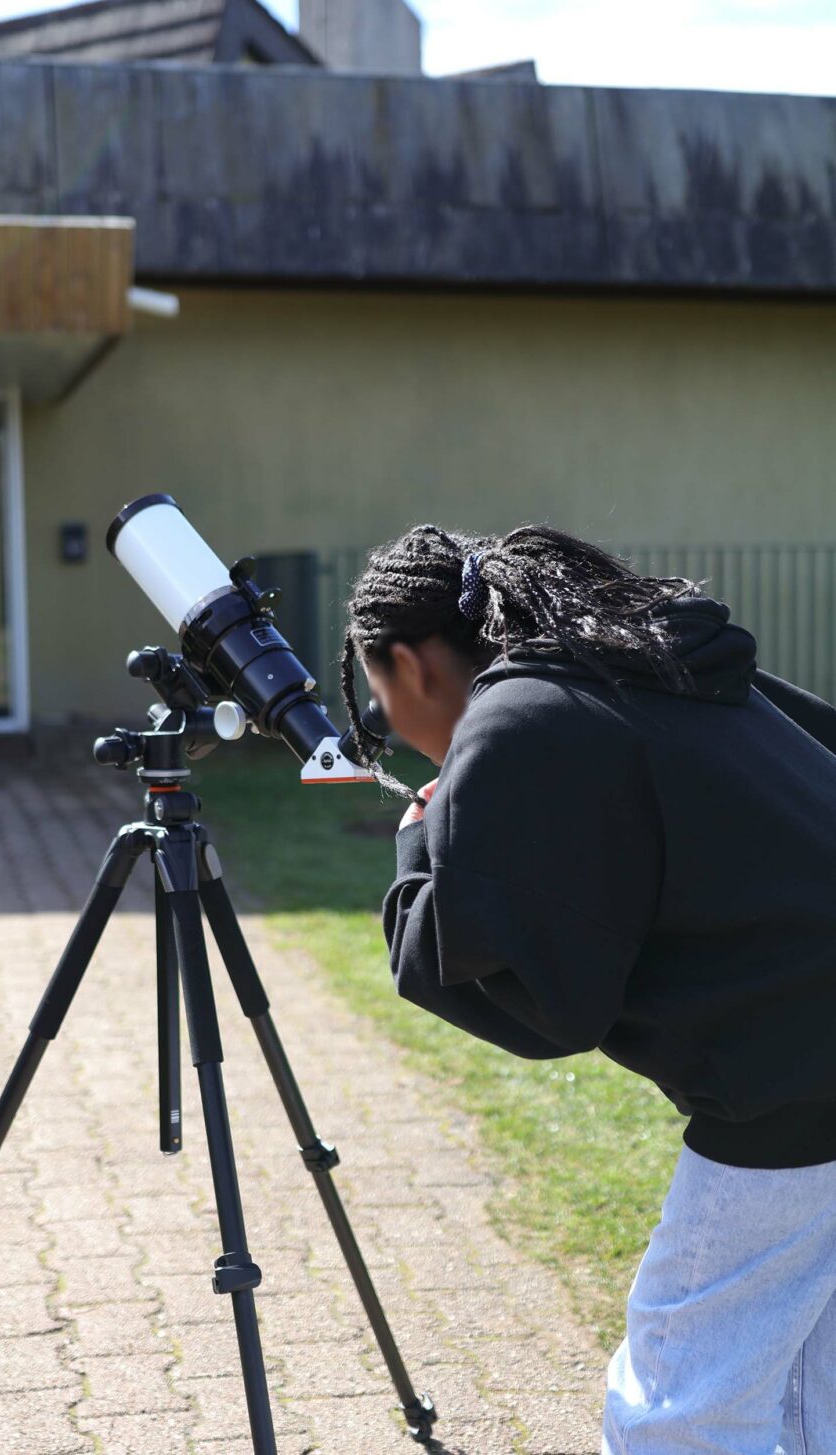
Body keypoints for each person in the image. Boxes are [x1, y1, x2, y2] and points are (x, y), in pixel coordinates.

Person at [339, 521, 836, 1455]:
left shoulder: (522, 712)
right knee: (811, 1384)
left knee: (679, 1402)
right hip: (813, 1055)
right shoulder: (642, 662)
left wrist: (418, 846)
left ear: (408, 665)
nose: (388, 722)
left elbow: (541, 998)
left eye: (377, 696)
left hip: (797, 1079)